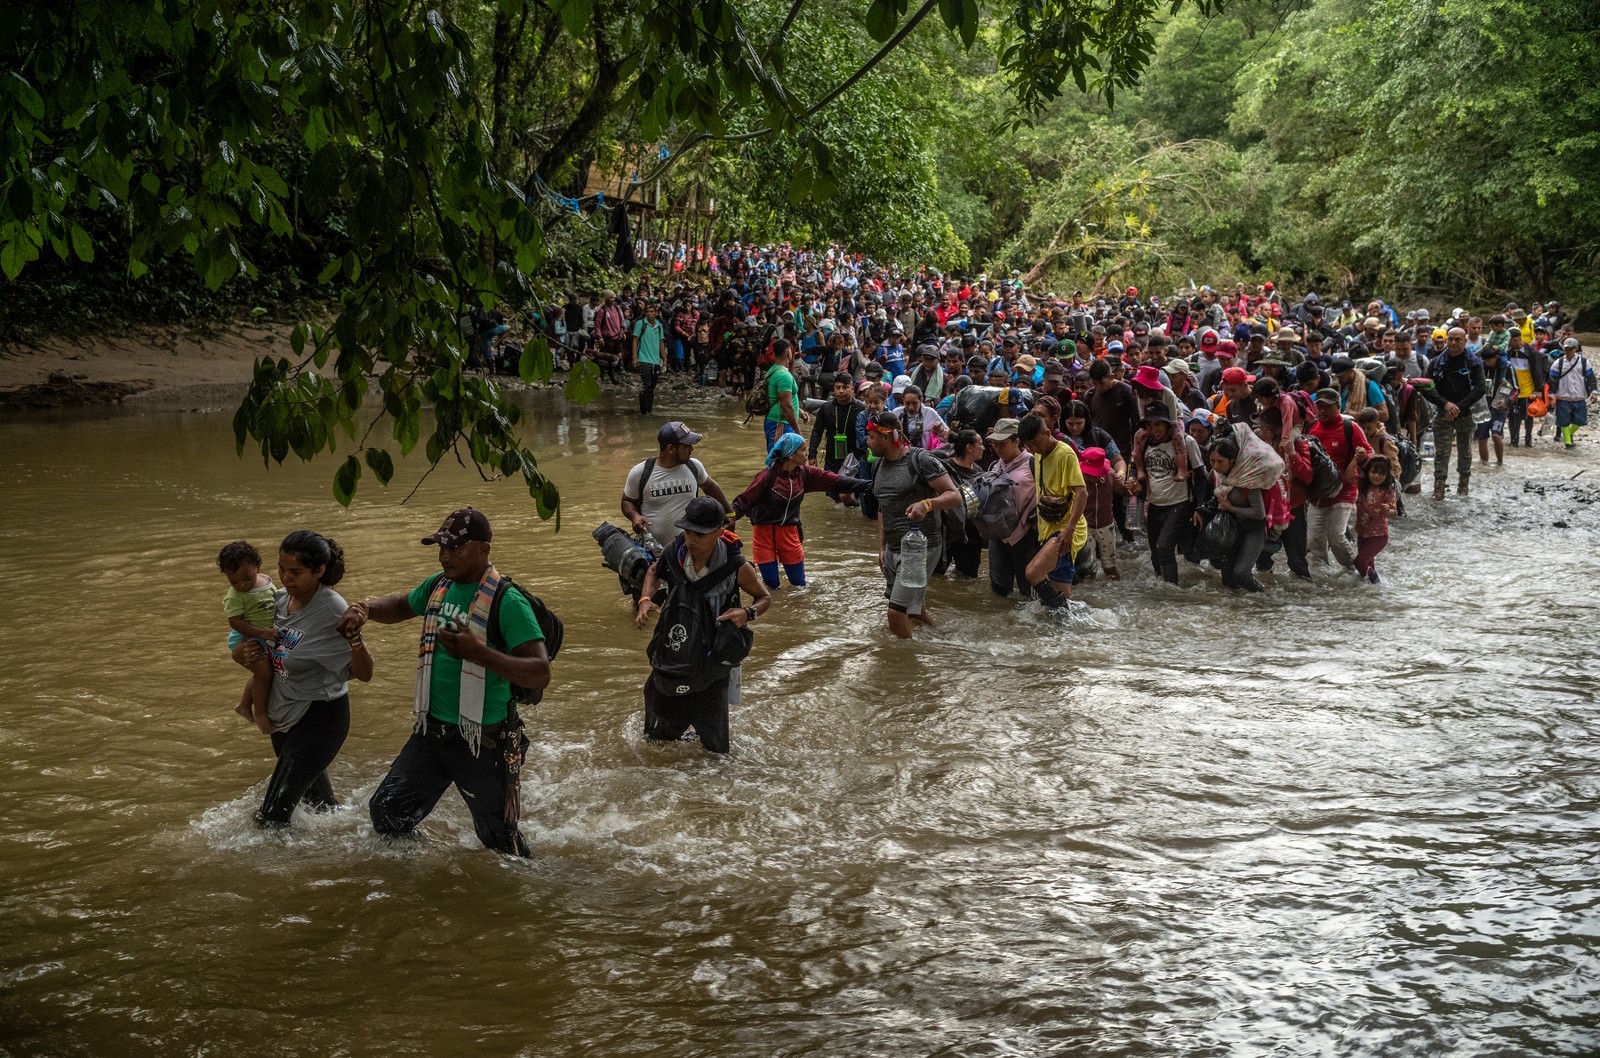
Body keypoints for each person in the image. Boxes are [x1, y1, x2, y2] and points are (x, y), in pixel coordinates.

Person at [342, 508, 550, 857]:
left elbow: (540, 671)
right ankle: (419, 884)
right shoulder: (439, 586)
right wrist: (365, 609)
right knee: (388, 811)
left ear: (483, 550)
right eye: (441, 547)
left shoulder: (507, 600)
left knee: (501, 844)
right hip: (433, 731)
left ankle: (523, 901)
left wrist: (480, 653)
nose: (445, 555)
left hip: (483, 740)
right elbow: (401, 605)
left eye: (455, 548)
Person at [233, 530, 372, 828]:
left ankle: (272, 872)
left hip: (319, 718)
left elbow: (364, 674)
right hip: (283, 717)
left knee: (270, 818)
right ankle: (340, 854)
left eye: (296, 572)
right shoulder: (278, 601)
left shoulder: (332, 609)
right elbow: (259, 656)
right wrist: (241, 653)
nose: (286, 578)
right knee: (322, 808)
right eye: (282, 569)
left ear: (320, 570)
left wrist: (355, 638)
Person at [634, 497, 772, 753]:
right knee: (654, 744)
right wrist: (644, 599)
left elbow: (764, 598)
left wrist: (747, 612)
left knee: (716, 752)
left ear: (720, 532)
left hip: (712, 660)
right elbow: (653, 571)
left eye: (699, 534)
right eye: (687, 531)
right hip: (674, 653)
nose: (691, 540)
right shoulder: (674, 554)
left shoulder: (737, 567)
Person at [730, 432, 872, 588]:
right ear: (790, 454)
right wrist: (725, 519)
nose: (807, 453)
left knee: (799, 585)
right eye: (803, 450)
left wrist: (871, 486)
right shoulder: (766, 477)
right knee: (771, 586)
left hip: (790, 534)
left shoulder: (805, 473)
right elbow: (742, 502)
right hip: (764, 535)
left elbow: (839, 481)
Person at [867, 410, 963, 638]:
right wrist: (881, 548)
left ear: (886, 437)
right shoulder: (877, 465)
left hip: (920, 546)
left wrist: (927, 504)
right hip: (893, 547)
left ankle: (904, 666)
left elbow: (955, 496)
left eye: (871, 436)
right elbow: (883, 507)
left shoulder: (921, 460)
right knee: (912, 608)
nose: (867, 442)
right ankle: (945, 640)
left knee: (895, 612)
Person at [622, 421, 732, 550]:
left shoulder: (694, 466)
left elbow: (710, 487)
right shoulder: (640, 472)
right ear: (670, 449)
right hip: (652, 551)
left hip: (689, 549)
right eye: (687, 446)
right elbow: (627, 501)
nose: (692, 449)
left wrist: (730, 514)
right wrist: (635, 516)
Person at [1019, 415, 1087, 609]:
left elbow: (1082, 493)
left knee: (1033, 572)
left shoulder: (1064, 454)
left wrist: (1069, 530)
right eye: (1028, 446)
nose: (1032, 449)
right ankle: (1066, 633)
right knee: (1062, 600)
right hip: (1048, 530)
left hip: (1066, 530)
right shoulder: (1039, 454)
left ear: (1048, 433)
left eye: (1036, 443)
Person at [1133, 404, 1205, 584]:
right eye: (1149, 425)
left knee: (1164, 547)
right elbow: (1135, 467)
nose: (1153, 430)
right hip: (1155, 504)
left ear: (1168, 424)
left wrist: (1201, 507)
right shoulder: (1145, 442)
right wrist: (1134, 482)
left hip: (1180, 503)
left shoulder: (1186, 442)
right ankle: (1162, 592)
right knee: (1155, 554)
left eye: (1158, 425)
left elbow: (1202, 476)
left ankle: (1173, 591)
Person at [1306, 388, 1372, 571]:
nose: (1322, 411)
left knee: (1336, 536)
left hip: (1345, 490)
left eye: (1327, 407)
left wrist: (1361, 455)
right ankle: (1322, 581)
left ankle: (1356, 569)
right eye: (1319, 407)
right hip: (1318, 493)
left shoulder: (1349, 427)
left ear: (1338, 406)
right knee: (1314, 540)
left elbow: (1368, 451)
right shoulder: (1312, 427)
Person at [218, 540, 276, 730]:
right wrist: (261, 633)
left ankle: (243, 705)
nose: (241, 585)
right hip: (247, 638)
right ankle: (260, 713)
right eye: (234, 582)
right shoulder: (234, 597)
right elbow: (235, 622)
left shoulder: (266, 581)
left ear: (258, 568)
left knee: (263, 674)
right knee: (265, 675)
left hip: (263, 635)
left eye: (247, 579)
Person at [1422, 326, 1486, 499]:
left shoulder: (1473, 362)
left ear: (1465, 341)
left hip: (1466, 413)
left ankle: (1463, 486)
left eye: (1458, 339)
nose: (1453, 342)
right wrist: (1445, 404)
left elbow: (1480, 388)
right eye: (1450, 339)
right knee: (1441, 452)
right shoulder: (1436, 362)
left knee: (1465, 451)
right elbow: (1426, 387)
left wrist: (1458, 407)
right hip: (1443, 413)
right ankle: (1439, 488)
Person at [986, 418, 1040, 598]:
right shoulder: (994, 467)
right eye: (995, 444)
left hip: (1025, 535)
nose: (998, 448)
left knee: (1029, 589)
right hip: (999, 534)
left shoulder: (1033, 464)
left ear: (1017, 441)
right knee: (999, 588)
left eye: (1003, 443)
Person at [1354, 457, 1398, 584]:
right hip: (1362, 532)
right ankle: (1371, 595)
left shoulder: (1388, 489)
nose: (1376, 476)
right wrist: (1356, 459)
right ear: (1368, 471)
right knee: (1367, 567)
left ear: (1386, 475)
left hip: (1379, 535)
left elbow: (1394, 513)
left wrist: (1387, 511)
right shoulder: (1362, 484)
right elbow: (1348, 477)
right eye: (1374, 472)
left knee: (1359, 562)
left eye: (1381, 473)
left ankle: (1378, 586)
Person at [1548, 337, 1595, 449]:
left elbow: (1591, 377)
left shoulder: (1584, 362)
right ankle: (1568, 442)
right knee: (1563, 422)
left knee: (1580, 421)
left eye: (1571, 349)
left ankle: (1567, 434)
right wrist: (1551, 397)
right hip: (1563, 397)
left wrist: (1594, 392)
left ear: (1576, 349)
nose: (1568, 351)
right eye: (1566, 349)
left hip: (1579, 397)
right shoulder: (1557, 363)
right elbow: (1552, 381)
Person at [764, 339, 809, 448]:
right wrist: (798, 432)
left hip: (775, 421)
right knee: (779, 461)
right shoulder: (783, 376)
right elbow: (786, 406)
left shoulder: (772, 370)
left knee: (784, 460)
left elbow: (780, 398)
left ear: (774, 353)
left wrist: (799, 411)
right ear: (789, 352)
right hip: (781, 424)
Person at [630, 301, 666, 414]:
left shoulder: (659, 326)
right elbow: (635, 340)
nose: (650, 314)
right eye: (648, 312)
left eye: (652, 312)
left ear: (656, 313)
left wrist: (664, 358)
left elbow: (661, 343)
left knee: (652, 387)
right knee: (646, 386)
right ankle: (644, 412)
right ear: (645, 314)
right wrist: (634, 357)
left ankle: (649, 411)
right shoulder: (641, 324)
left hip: (655, 360)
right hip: (644, 359)